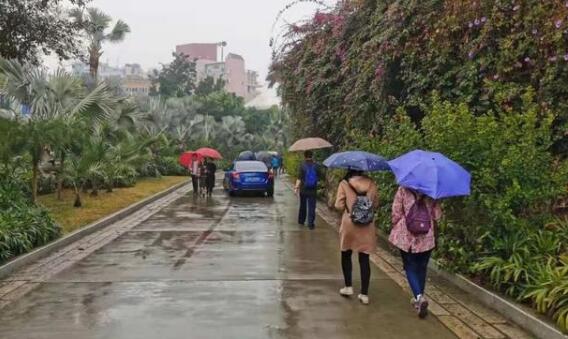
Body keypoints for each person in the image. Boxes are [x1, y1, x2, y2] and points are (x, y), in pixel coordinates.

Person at [389, 186, 442, 318]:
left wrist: (396, 225)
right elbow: (437, 215)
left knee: (409, 267)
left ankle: (419, 296)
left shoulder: (403, 189)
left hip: (407, 236)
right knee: (422, 268)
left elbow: (396, 212)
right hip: (426, 237)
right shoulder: (432, 191)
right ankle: (419, 297)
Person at [334, 170, 379, 305]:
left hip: (349, 224)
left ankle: (348, 287)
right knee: (364, 258)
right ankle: (364, 294)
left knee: (346, 254)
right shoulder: (371, 183)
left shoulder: (344, 183)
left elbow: (338, 205)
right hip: (367, 225)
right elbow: (375, 204)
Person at [294, 150, 322, 229]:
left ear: (304, 156)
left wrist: (296, 188)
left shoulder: (302, 165)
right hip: (313, 189)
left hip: (303, 189)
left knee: (303, 205)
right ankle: (310, 224)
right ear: (312, 156)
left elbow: (299, 178)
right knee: (312, 206)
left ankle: (301, 220)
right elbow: (319, 178)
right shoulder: (316, 166)